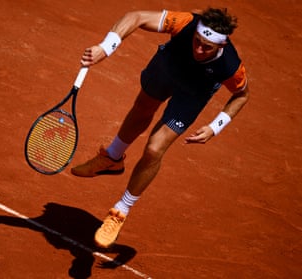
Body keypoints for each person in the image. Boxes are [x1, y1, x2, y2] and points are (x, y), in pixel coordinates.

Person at [71, 8, 249, 248]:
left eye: (207, 47)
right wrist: (106, 46)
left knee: (155, 149)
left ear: (221, 45)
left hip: (194, 92)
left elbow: (241, 94)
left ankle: (120, 211)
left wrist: (215, 127)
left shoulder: (230, 66)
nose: (198, 49)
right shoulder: (186, 23)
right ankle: (112, 158)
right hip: (168, 67)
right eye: (197, 42)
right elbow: (136, 17)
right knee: (143, 107)